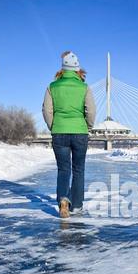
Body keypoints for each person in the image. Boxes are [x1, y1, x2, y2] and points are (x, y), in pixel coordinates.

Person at [42, 51, 96, 218]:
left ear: (62, 70)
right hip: (80, 132)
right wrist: (87, 127)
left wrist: (54, 127)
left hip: (59, 132)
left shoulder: (52, 86)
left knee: (63, 169)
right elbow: (91, 111)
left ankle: (64, 200)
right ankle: (77, 206)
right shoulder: (85, 87)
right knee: (78, 170)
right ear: (78, 70)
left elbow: (46, 111)